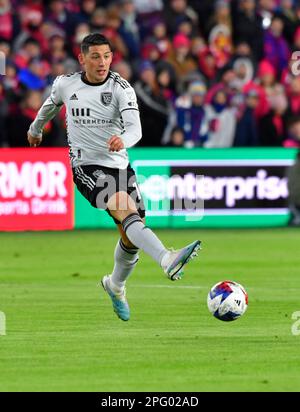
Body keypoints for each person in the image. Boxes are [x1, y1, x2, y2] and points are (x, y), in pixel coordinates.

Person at [27, 33, 201, 322]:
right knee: (124, 207)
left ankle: (115, 285)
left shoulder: (122, 87)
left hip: (120, 166)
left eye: (106, 56)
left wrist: (123, 139)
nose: (102, 62)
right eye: (95, 56)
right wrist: (35, 129)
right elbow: (51, 105)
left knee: (131, 234)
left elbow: (136, 130)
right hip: (86, 166)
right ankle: (167, 258)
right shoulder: (66, 83)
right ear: (82, 59)